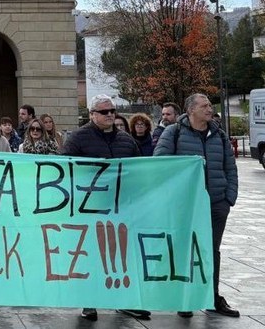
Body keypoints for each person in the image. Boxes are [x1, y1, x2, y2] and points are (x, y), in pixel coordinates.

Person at [61, 94, 149, 322]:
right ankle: (89, 302)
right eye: (104, 111)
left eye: (112, 111)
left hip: (121, 209)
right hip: (90, 209)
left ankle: (125, 301)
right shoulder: (78, 139)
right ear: (92, 114)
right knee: (91, 255)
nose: (110, 114)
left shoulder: (126, 140)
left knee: (122, 255)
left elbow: (138, 172)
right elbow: (66, 170)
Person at [154, 93, 239, 318]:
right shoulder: (174, 133)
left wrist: (229, 197)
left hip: (216, 203)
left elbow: (230, 167)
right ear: (191, 110)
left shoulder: (219, 134)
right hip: (186, 205)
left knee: (211, 251)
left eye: (210, 105)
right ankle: (186, 299)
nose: (210, 109)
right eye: (205, 106)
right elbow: (161, 164)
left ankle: (212, 296)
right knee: (185, 250)